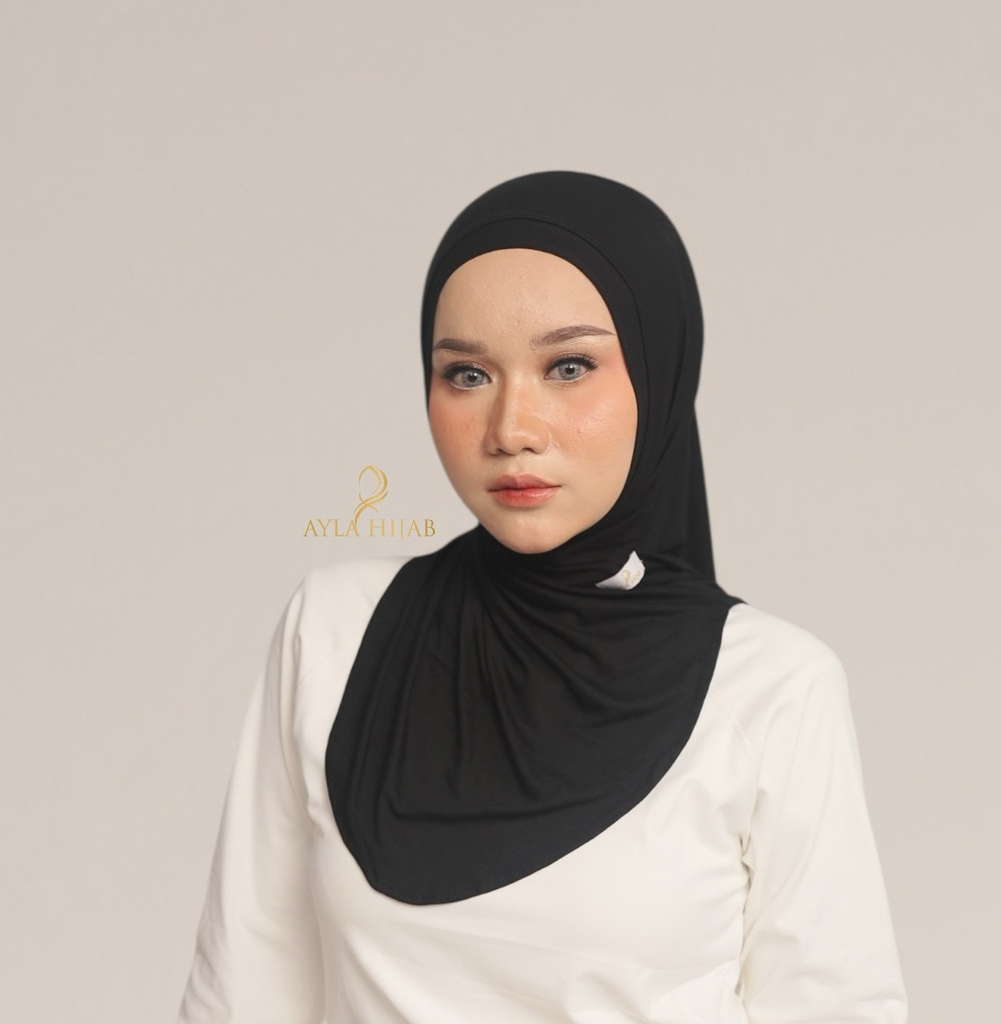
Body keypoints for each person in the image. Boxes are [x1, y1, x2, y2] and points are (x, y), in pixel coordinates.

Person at [176, 170, 908, 1023]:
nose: (511, 429)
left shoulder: (772, 688)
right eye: (466, 375)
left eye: (568, 366)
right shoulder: (333, 631)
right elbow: (241, 996)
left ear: (660, 371)